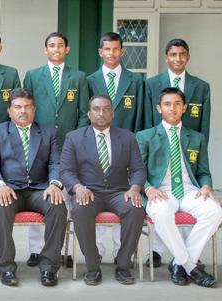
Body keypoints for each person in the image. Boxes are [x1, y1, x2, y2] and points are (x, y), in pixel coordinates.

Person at [136, 87, 222, 288]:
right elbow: (137, 171)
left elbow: (203, 171)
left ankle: (179, 263)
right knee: (161, 210)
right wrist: (148, 188)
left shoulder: (196, 137)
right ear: (159, 108)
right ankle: (191, 266)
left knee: (215, 212)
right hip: (161, 190)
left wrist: (207, 186)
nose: (172, 108)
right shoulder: (145, 136)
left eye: (177, 104)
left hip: (190, 190)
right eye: (167, 104)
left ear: (184, 108)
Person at [0, 88, 67, 287]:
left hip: (39, 190)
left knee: (58, 205)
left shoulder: (48, 132)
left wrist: (54, 184)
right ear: (10, 111)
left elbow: (56, 163)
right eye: (18, 107)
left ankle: (48, 267)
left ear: (34, 110)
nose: (23, 111)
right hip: (9, 191)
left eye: (27, 107)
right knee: (1, 209)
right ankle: (7, 268)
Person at [60, 95, 146, 286]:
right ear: (89, 113)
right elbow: (66, 171)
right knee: (80, 210)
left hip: (119, 191)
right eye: (96, 109)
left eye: (106, 109)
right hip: (88, 191)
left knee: (135, 209)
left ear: (112, 113)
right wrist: (78, 187)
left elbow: (139, 169)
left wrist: (134, 188)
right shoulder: (73, 138)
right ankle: (92, 267)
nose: (101, 113)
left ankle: (123, 266)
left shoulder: (128, 137)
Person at [144, 39, 212, 266]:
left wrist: (203, 177)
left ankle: (182, 261)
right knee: (161, 208)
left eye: (182, 54)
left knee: (209, 210)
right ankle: (176, 258)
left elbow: (203, 124)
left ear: (188, 57)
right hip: (159, 154)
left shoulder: (200, 86)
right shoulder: (152, 84)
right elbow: (146, 121)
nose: (178, 59)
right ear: (166, 57)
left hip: (188, 149)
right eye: (173, 54)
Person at [23, 32, 89, 267]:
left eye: (60, 45)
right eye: (51, 45)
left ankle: (63, 250)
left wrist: (77, 139)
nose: (56, 49)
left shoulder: (79, 77)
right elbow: (26, 110)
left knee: (67, 199)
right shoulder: (32, 76)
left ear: (67, 49)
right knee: (39, 191)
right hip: (39, 144)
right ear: (45, 50)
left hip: (70, 144)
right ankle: (34, 250)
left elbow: (83, 112)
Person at [86, 31, 146, 266]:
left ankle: (122, 254)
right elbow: (87, 114)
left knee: (125, 199)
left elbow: (140, 115)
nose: (111, 54)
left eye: (115, 49)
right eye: (106, 49)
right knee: (97, 197)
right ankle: (98, 252)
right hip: (98, 145)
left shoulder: (136, 81)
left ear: (122, 51)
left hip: (125, 148)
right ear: (100, 52)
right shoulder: (89, 80)